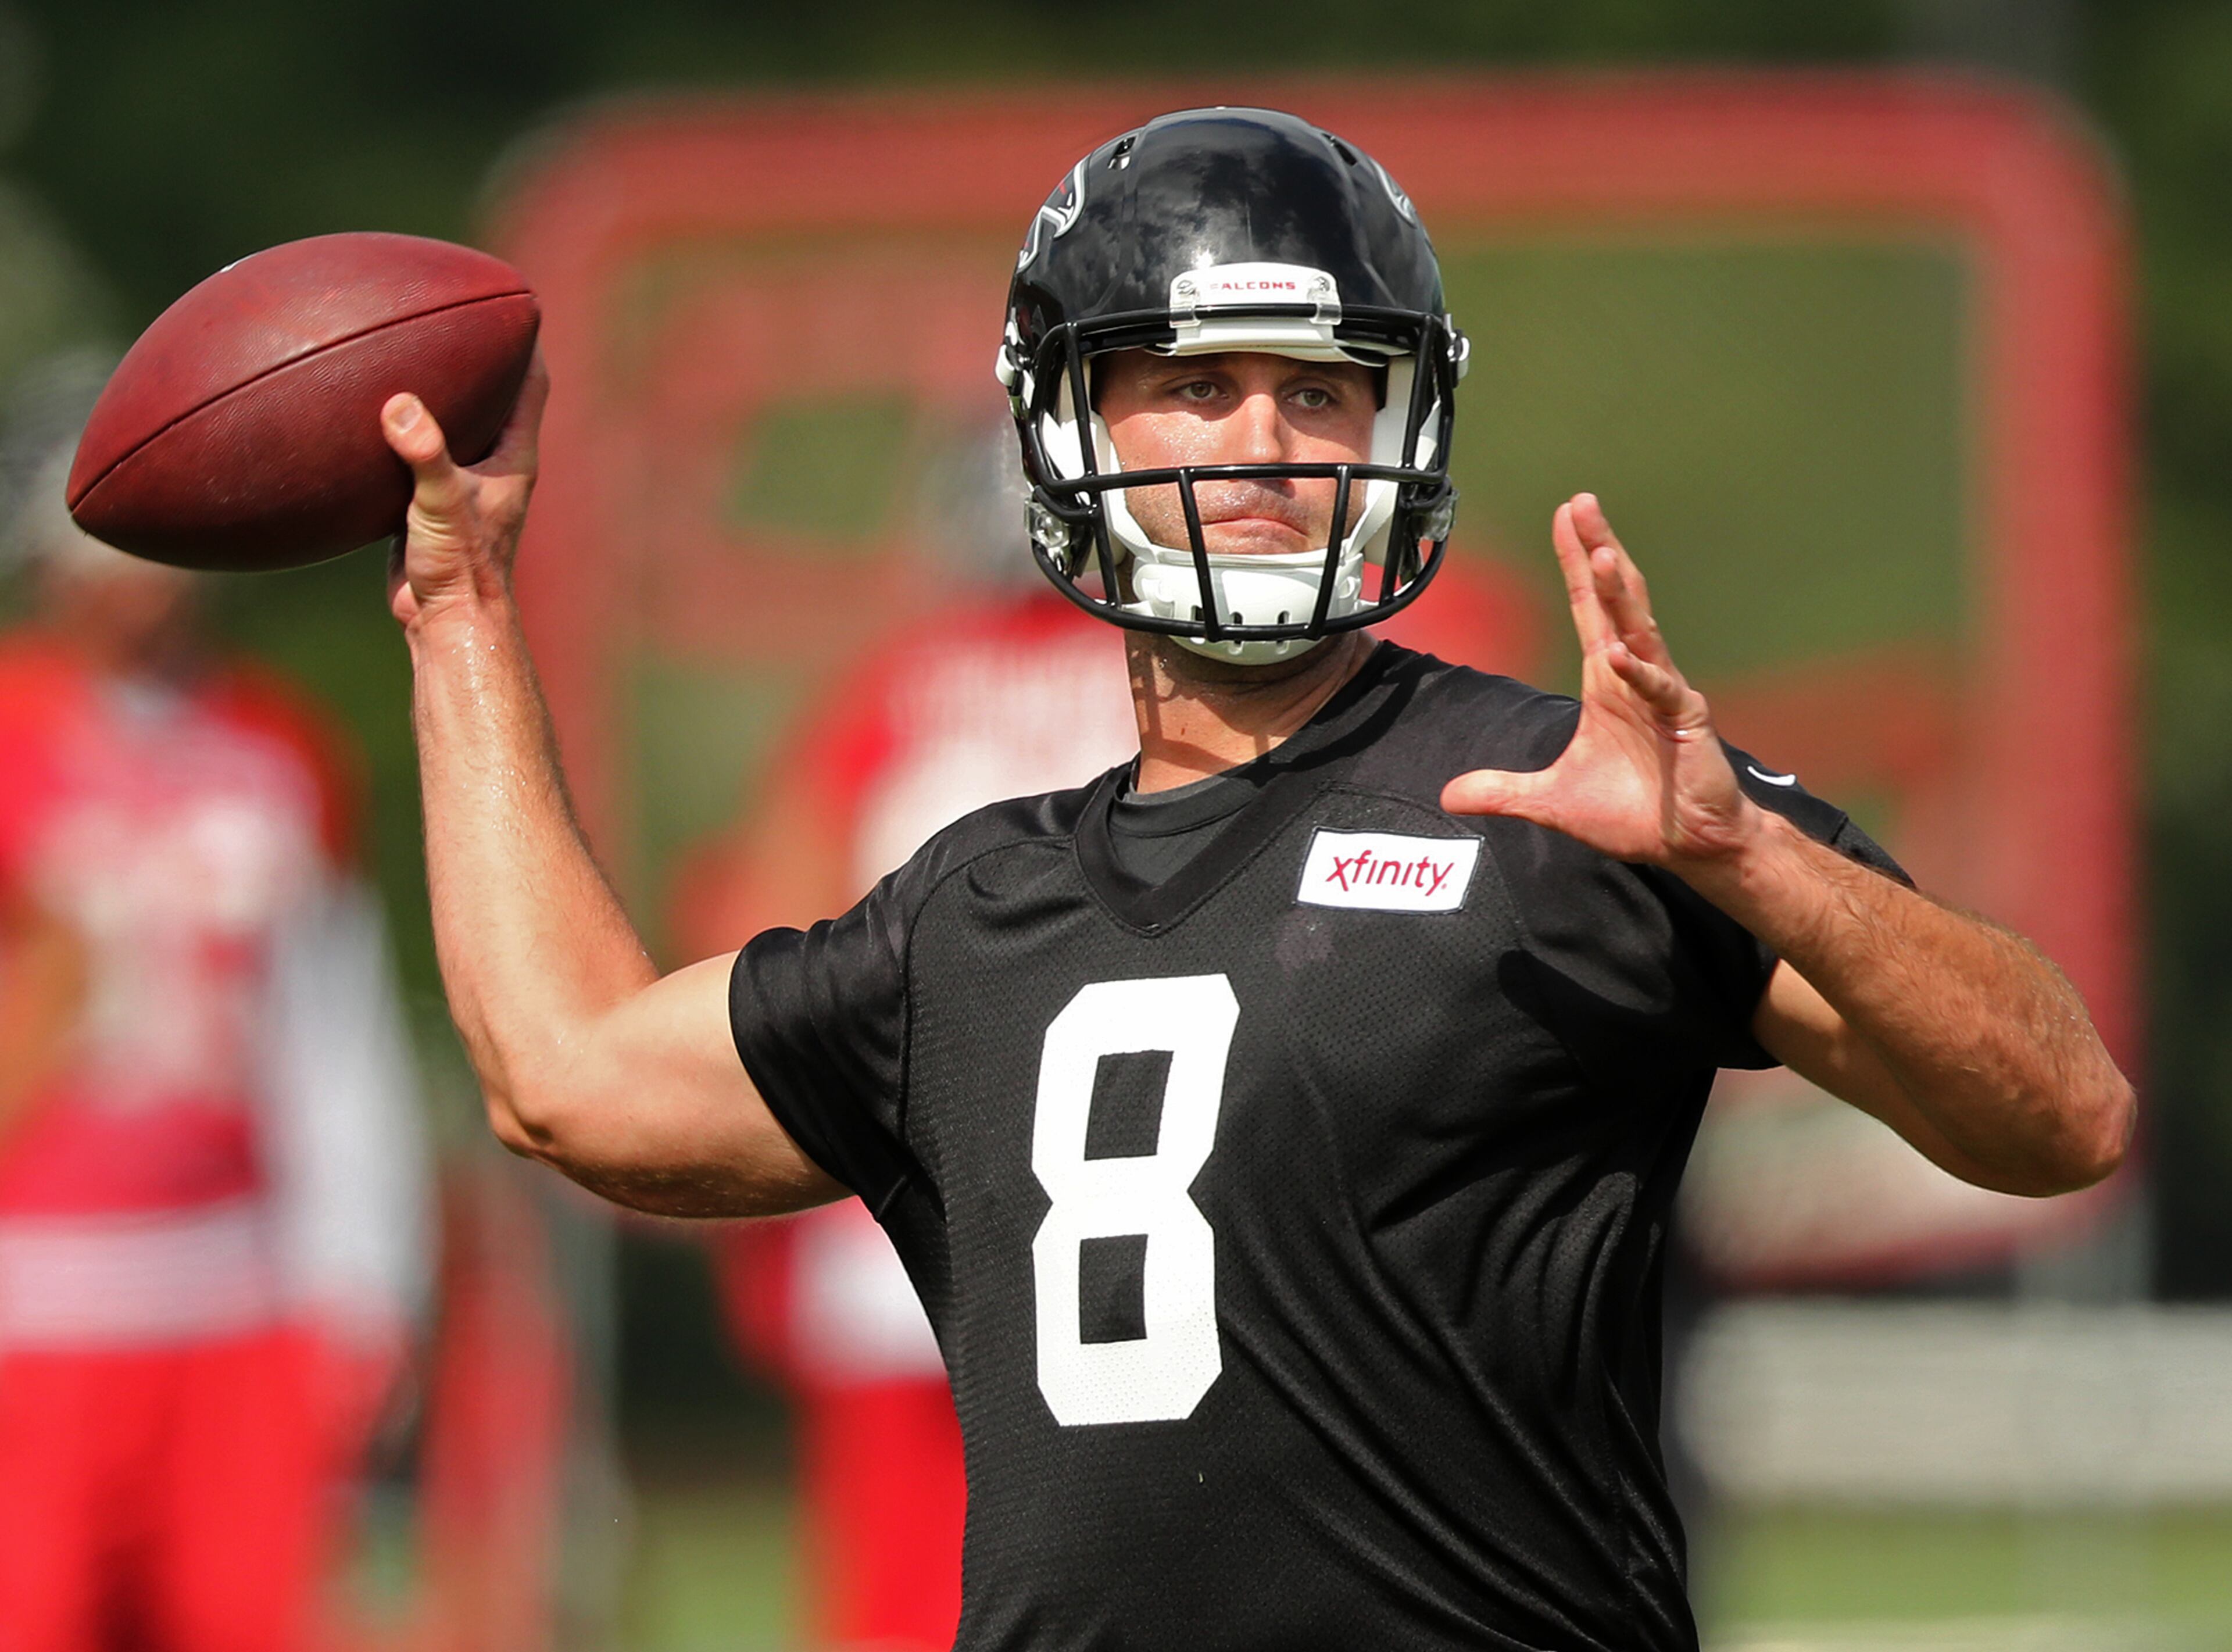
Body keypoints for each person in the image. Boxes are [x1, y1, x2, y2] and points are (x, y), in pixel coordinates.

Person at [377, 109, 2134, 1651]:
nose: (1269, 444)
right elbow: (570, 1074)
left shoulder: (1566, 801)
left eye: (1320, 389)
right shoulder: (971, 917)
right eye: (1197, 384)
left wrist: (1755, 857)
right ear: (1068, 427)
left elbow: (2060, 1112)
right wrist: (460, 609)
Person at [0, 449, 430, 1652]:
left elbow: (336, 1039)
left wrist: (368, 1277)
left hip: (236, 1292)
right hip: (33, 1295)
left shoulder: (278, 746)